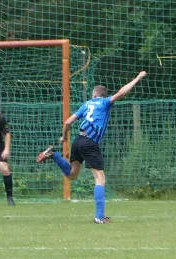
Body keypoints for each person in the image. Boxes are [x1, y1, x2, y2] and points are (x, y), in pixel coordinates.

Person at [37, 71, 147, 224]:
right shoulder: (104, 103)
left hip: (78, 140)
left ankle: (54, 154)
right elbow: (121, 92)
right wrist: (137, 78)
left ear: (94, 95)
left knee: (72, 174)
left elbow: (68, 122)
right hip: (90, 143)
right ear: (102, 95)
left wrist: (64, 137)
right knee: (100, 179)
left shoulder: (87, 104)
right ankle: (99, 216)